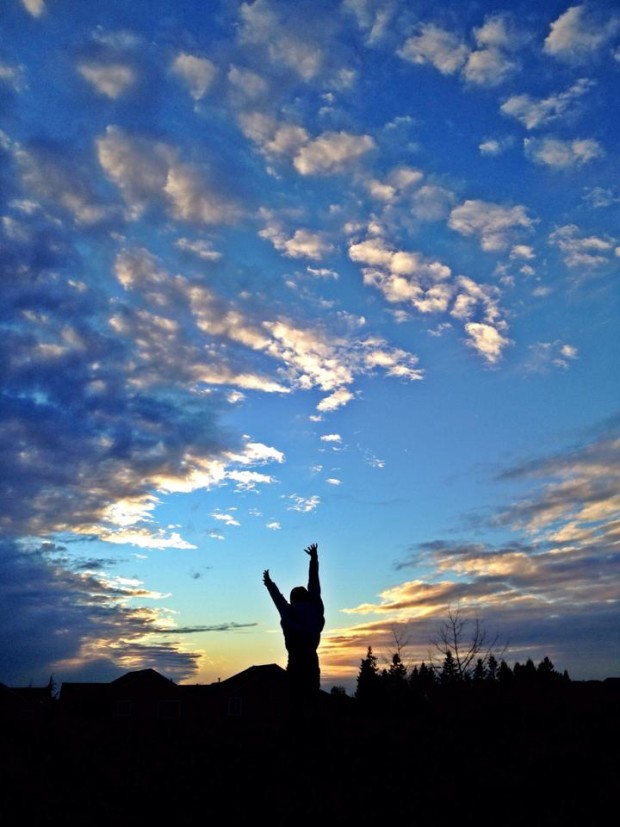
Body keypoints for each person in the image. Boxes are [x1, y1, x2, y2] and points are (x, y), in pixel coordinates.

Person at [263, 543, 325, 717]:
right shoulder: (314, 608)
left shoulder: (289, 611)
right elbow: (314, 584)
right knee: (311, 697)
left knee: (295, 701)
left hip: (297, 659)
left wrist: (269, 584)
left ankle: (298, 729)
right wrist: (314, 560)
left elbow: (278, 599)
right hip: (310, 657)